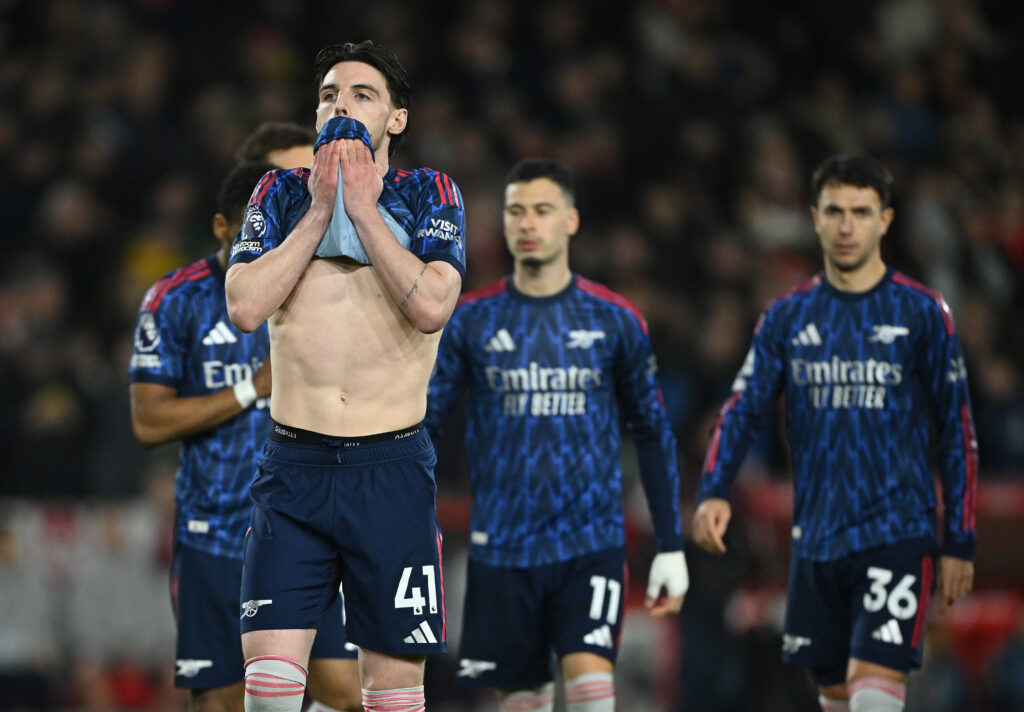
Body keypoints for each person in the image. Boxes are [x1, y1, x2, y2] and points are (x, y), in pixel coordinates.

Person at [224, 40, 466, 712]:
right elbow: (244, 306)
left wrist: (361, 208)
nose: (340, 105)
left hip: (390, 472)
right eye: (329, 94)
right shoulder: (276, 194)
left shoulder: (429, 194)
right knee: (269, 697)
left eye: (362, 94)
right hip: (293, 471)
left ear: (397, 120)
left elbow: (431, 306)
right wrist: (321, 211)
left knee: (391, 697)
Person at [692, 153, 978, 712]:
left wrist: (960, 538)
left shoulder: (922, 313)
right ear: (815, 218)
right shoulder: (787, 316)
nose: (847, 226)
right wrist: (713, 489)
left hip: (897, 531)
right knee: (836, 696)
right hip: (817, 539)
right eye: (835, 211)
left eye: (862, 212)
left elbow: (957, 430)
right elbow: (741, 408)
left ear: (885, 221)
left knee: (876, 689)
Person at [424, 157, 689, 712]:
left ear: (570, 220)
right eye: (515, 211)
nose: (527, 223)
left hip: (589, 540)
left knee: (593, 689)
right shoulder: (472, 319)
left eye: (542, 210)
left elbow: (653, 432)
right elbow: (426, 423)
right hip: (502, 545)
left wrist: (669, 543)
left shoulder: (615, 319)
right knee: (521, 700)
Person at [129, 157, 361, 711]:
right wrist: (249, 389)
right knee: (226, 705)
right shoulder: (175, 300)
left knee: (348, 693)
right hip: (216, 536)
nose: (263, 243)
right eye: (248, 230)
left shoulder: (314, 291)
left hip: (303, 529)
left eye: (276, 229)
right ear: (220, 228)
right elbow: (148, 421)